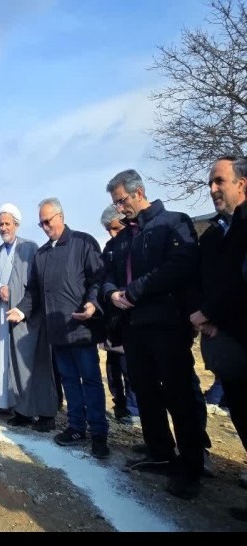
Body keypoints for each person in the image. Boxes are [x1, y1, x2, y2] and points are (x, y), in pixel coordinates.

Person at [101, 169, 207, 498]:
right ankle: (160, 451)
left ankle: (191, 465)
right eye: (116, 204)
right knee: (145, 391)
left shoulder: (173, 223)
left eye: (122, 201)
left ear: (139, 192)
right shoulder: (122, 239)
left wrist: (136, 290)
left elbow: (179, 266)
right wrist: (112, 294)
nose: (120, 209)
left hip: (166, 324)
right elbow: (108, 275)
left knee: (179, 393)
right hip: (134, 328)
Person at [8, 198, 109, 459]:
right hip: (57, 330)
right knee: (68, 380)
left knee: (90, 380)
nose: (45, 227)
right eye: (41, 223)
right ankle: (76, 427)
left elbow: (98, 278)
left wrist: (92, 303)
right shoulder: (42, 255)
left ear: (61, 216)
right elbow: (33, 292)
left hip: (81, 327)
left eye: (48, 221)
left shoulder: (83, 243)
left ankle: (99, 433)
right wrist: (21, 310)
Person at [189, 157, 247, 518]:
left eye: (219, 181)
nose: (212, 189)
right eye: (210, 183)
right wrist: (207, 316)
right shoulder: (218, 232)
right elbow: (209, 280)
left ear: (242, 183)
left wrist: (211, 313)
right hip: (227, 341)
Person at [0, 204, 56, 431]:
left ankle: (44, 414)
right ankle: (17, 409)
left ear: (16, 224)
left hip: (26, 318)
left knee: (31, 365)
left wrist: (14, 294)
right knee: (5, 363)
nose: (3, 228)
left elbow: (36, 283)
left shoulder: (29, 248)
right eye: (0, 224)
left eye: (7, 223)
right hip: (2, 316)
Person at [99, 205, 139, 425]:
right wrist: (110, 293)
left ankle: (134, 408)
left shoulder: (135, 242)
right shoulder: (109, 249)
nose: (113, 234)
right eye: (108, 230)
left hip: (131, 316)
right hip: (112, 318)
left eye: (116, 228)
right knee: (113, 367)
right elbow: (105, 277)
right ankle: (120, 405)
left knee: (130, 366)